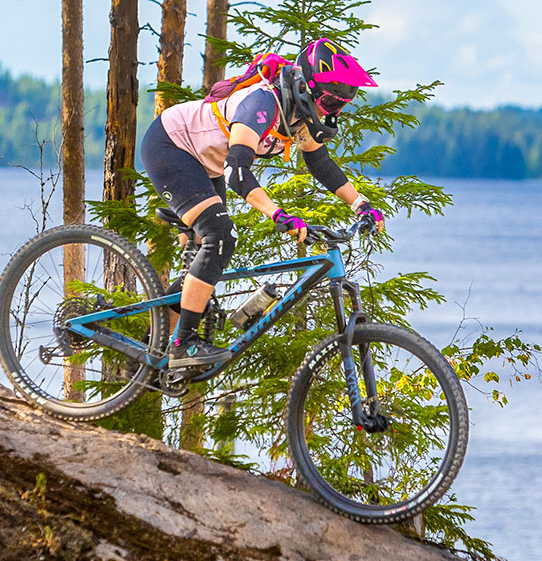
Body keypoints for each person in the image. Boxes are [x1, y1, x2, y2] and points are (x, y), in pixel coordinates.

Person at [140, 38, 385, 371]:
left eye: (342, 105)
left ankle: (151, 352)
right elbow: (237, 173)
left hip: (204, 162)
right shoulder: (262, 104)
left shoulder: (299, 113)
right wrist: (278, 214)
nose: (333, 112)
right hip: (172, 145)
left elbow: (320, 164)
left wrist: (360, 204)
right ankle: (183, 345)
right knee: (220, 236)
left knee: (210, 260)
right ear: (307, 88)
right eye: (329, 101)